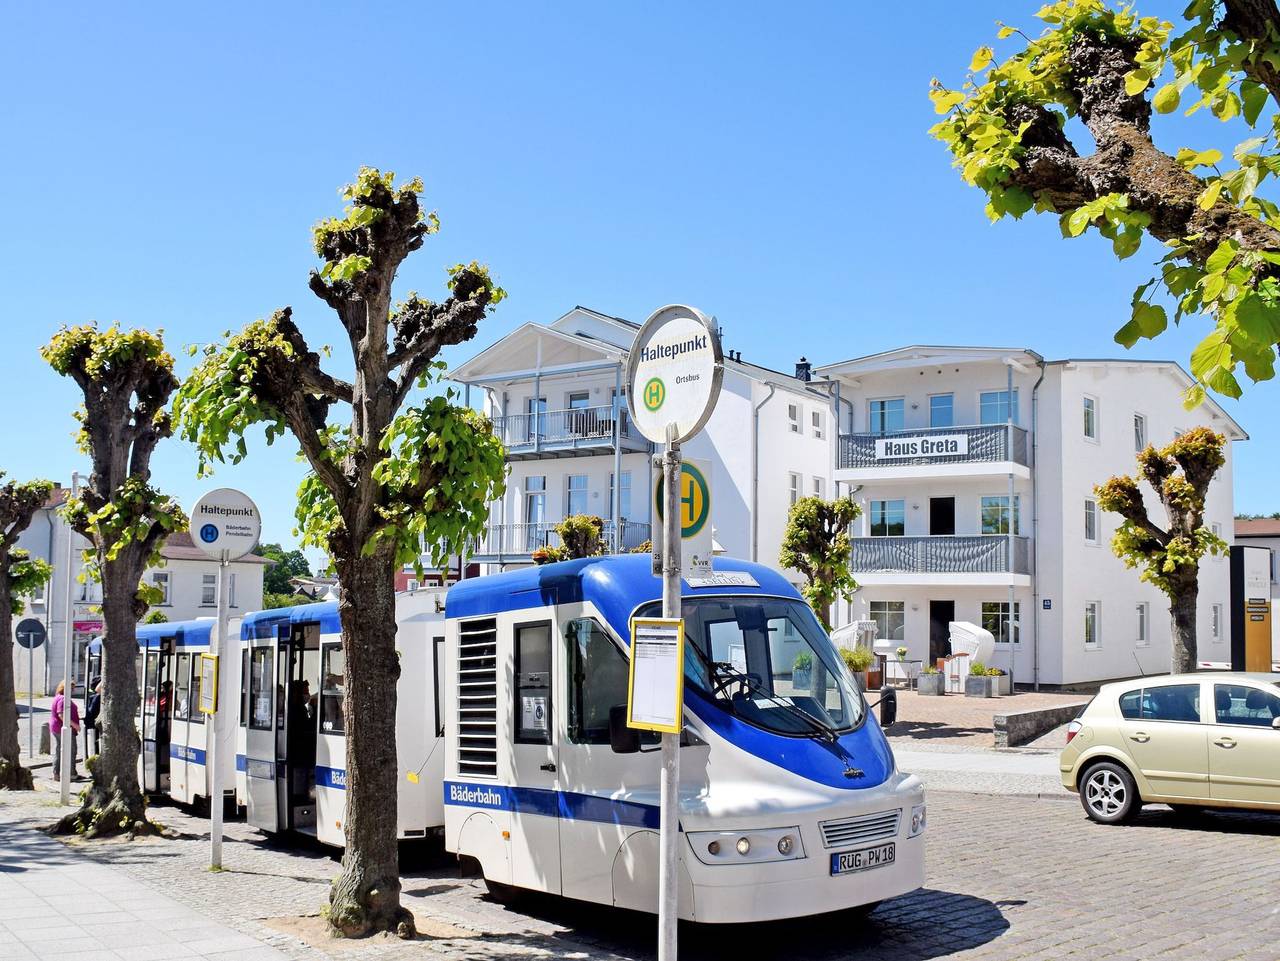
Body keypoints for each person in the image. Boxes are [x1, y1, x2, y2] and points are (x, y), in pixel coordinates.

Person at [50, 680, 81, 781]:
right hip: (63, 728)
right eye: (71, 688)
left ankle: (57, 773)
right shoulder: (63, 699)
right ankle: (70, 774)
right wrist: (75, 725)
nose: (72, 690)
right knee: (71, 750)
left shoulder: (58, 697)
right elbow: (61, 715)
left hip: (57, 727)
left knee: (59, 749)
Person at [84, 677, 102, 756]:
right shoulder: (97, 697)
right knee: (95, 746)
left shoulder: (92, 695)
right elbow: (92, 711)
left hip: (92, 725)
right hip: (94, 725)